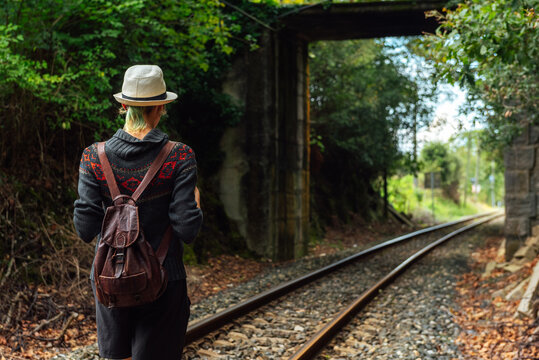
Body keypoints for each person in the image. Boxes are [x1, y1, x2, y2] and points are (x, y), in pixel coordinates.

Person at [73, 64, 203, 360]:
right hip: (164, 279)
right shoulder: (180, 156)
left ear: (122, 105)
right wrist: (195, 202)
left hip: (110, 280)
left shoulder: (94, 156)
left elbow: (83, 228)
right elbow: (188, 229)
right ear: (161, 106)